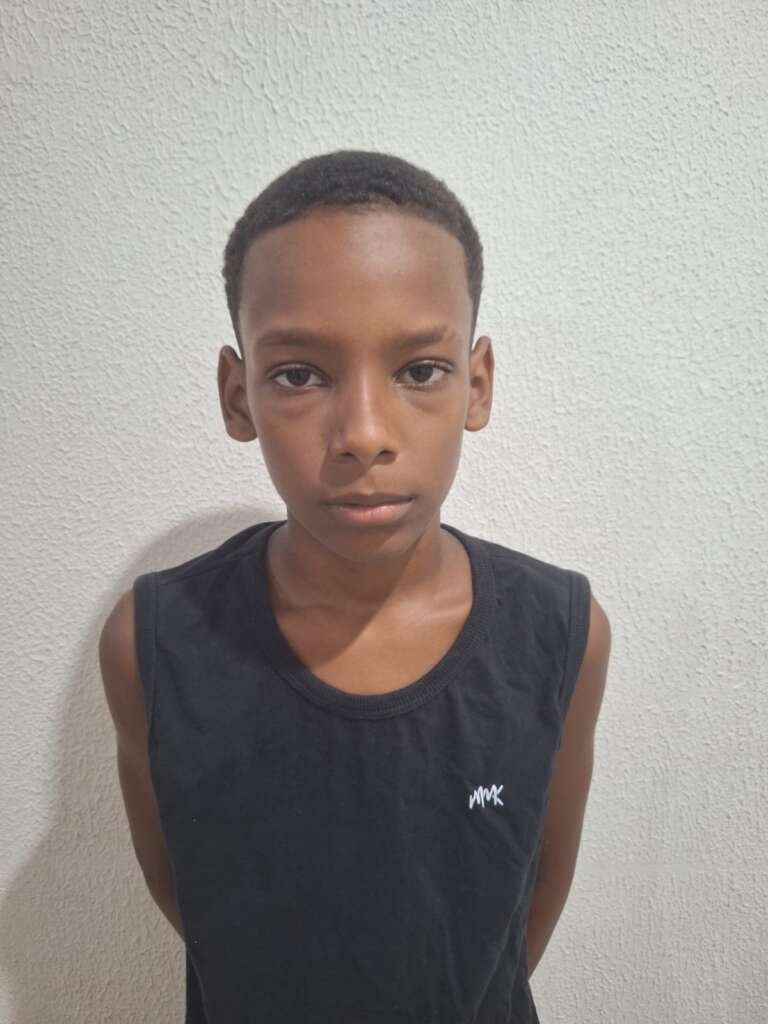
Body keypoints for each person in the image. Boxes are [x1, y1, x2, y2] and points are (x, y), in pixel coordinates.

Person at [98, 149, 611, 1023]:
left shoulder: (562, 633)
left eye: (420, 370)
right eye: (300, 375)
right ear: (238, 397)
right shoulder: (154, 646)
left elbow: (521, 913)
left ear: (477, 385)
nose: (364, 434)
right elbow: (194, 902)